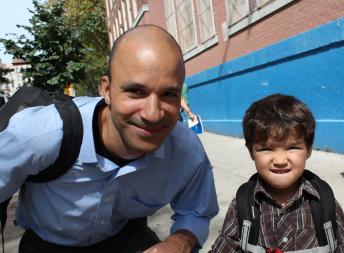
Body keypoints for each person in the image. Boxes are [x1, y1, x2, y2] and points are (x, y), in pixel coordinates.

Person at [0, 25, 218, 253]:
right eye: (136, 91)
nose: (153, 114)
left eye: (169, 94)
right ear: (106, 89)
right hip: (48, 242)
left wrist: (179, 242)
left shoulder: (185, 151)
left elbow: (196, 210)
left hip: (123, 234)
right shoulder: (41, 135)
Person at [209, 94, 344, 252]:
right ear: (251, 152)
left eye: (292, 147)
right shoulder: (242, 206)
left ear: (308, 150)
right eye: (266, 149)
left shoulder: (325, 202)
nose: (280, 160)